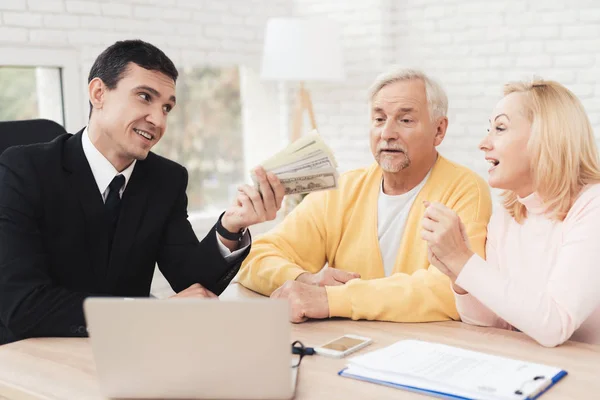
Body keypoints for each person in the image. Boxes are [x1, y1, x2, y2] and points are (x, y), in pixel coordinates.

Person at [0, 40, 285, 345]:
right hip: (34, 354)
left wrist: (231, 225)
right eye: (144, 97)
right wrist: (152, 312)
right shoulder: (22, 169)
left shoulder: (166, 179)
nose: (159, 120)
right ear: (98, 94)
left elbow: (192, 283)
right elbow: (24, 305)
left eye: (166, 107)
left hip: (130, 351)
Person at [238, 68, 492, 323]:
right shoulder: (342, 190)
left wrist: (331, 300)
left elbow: (453, 289)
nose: (387, 133)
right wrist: (304, 279)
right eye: (379, 120)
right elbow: (256, 257)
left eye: (405, 120)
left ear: (439, 130)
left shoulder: (466, 189)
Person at [422, 79, 600, 347]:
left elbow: (555, 325)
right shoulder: (507, 215)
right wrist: (458, 276)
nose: (484, 143)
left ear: (546, 137)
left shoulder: (592, 207)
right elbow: (491, 323)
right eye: (488, 129)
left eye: (500, 128)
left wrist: (462, 260)